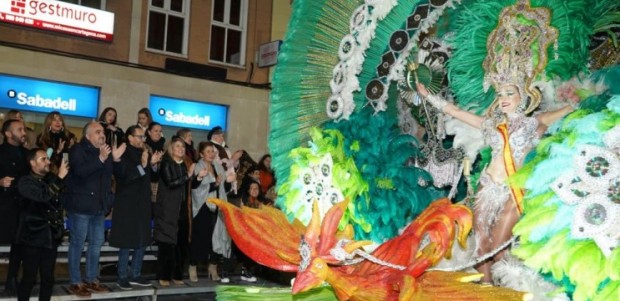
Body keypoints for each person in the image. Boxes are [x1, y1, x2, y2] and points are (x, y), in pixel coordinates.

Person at [416, 76, 574, 284]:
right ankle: (487, 290)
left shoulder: (536, 122)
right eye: (500, 94)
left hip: (514, 191)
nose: (503, 99)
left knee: (499, 249)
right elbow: (455, 112)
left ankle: (508, 291)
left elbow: (571, 108)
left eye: (510, 93)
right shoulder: (491, 125)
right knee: (482, 246)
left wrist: (573, 97)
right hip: (487, 187)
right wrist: (428, 96)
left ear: (524, 96)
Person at [64, 121, 126, 297]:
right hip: (80, 207)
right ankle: (75, 282)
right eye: (98, 132)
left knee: (96, 244)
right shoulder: (77, 149)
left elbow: (114, 177)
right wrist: (101, 158)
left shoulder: (105, 152)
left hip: (99, 207)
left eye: (103, 133)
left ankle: (92, 279)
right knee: (77, 244)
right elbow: (80, 172)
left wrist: (116, 159)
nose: (102, 135)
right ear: (87, 135)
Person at [109, 126, 163, 290]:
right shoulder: (123, 152)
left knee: (142, 239)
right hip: (127, 203)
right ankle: (122, 275)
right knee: (126, 240)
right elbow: (125, 176)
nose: (142, 140)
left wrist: (153, 165)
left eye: (142, 137)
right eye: (138, 136)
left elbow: (152, 177)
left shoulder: (144, 152)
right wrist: (145, 165)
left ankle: (136, 273)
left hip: (143, 202)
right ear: (130, 137)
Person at [16, 148, 68, 301]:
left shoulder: (51, 178)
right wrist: (59, 178)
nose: (48, 162)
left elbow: (58, 201)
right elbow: (42, 197)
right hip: (32, 237)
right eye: (43, 159)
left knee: (48, 278)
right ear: (32, 163)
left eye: (48, 158)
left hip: (50, 236)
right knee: (29, 278)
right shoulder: (24, 181)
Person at [153, 137, 203, 286]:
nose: (181, 149)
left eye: (183, 147)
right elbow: (171, 182)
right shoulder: (166, 163)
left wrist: (198, 178)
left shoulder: (185, 164)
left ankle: (178, 274)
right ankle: (164, 275)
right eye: (178, 146)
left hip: (183, 209)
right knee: (167, 244)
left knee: (181, 244)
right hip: (168, 210)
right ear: (171, 148)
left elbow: (189, 185)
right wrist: (188, 174)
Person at [189, 142, 234, 283]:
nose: (211, 154)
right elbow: (195, 188)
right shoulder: (198, 166)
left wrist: (226, 182)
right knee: (200, 239)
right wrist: (213, 184)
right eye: (208, 151)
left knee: (218, 237)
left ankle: (213, 267)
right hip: (203, 208)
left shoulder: (218, 166)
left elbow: (224, 188)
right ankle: (192, 266)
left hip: (218, 207)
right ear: (201, 154)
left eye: (212, 151)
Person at [0, 119, 29, 295]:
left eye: (23, 129)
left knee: (18, 245)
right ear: (8, 134)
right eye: (19, 129)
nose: (23, 132)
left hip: (22, 207)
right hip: (2, 206)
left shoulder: (27, 154)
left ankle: (12, 279)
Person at [146, 122, 166, 203]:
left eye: (160, 131)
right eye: (156, 131)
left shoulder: (164, 148)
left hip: (161, 186)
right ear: (149, 132)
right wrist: (153, 164)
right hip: (147, 184)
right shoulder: (144, 147)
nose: (158, 133)